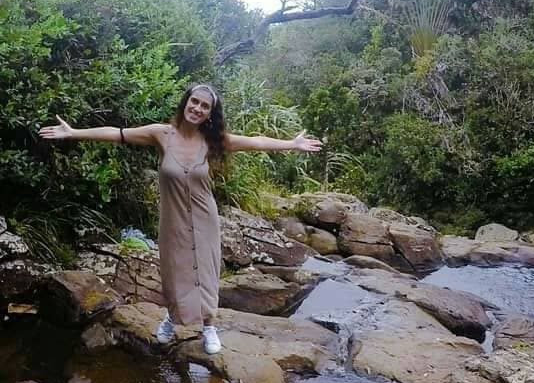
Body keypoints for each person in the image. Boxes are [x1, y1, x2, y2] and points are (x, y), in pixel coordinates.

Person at [38, 83, 322, 354]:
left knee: (207, 271)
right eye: (194, 101)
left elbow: (256, 141)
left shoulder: (212, 141)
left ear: (210, 113)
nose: (197, 108)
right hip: (172, 218)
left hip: (204, 216)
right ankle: (172, 318)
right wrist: (73, 132)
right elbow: (117, 133)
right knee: (174, 270)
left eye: (205, 106)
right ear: (186, 102)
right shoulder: (161, 134)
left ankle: (209, 326)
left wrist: (292, 144)